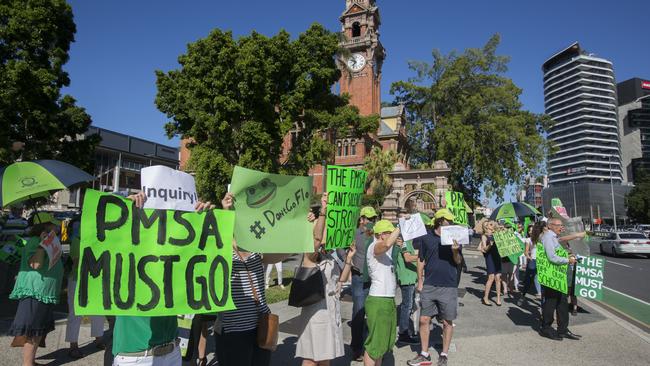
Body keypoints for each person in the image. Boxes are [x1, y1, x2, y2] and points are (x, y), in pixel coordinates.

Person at [216, 192, 325, 366]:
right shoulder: (220, 245)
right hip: (232, 329)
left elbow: (283, 252)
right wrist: (225, 211)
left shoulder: (256, 247)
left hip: (260, 324)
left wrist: (303, 226)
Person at [111, 192, 215, 366]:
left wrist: (204, 223)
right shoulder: (126, 255)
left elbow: (203, 267)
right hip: (135, 357)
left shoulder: (174, 261)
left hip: (172, 352)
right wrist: (121, 212)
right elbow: (105, 243)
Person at [295, 195, 354, 366]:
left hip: (331, 308)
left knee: (325, 356)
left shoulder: (331, 256)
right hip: (316, 311)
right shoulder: (310, 256)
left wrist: (349, 259)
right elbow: (317, 239)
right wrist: (323, 212)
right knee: (312, 358)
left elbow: (341, 280)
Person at [8, 212, 64, 366]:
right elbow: (35, 264)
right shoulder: (34, 241)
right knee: (32, 331)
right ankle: (27, 364)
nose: (57, 226)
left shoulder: (49, 239)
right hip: (36, 291)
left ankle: (31, 361)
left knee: (39, 328)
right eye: (53, 224)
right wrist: (42, 245)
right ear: (45, 226)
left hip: (44, 292)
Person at [408, 209, 462, 366]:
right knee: (424, 319)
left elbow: (458, 261)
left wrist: (455, 251)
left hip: (449, 285)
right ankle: (424, 354)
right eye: (448, 220)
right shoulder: (426, 238)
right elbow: (421, 259)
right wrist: (420, 281)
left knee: (447, 322)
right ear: (440, 221)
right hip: (430, 284)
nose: (451, 223)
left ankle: (444, 354)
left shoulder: (455, 238)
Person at [65, 216, 105, 359]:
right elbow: (76, 262)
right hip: (78, 280)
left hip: (95, 281)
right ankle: (73, 345)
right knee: (75, 314)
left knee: (98, 311)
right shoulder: (77, 240)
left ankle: (99, 338)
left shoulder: (100, 239)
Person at [363, 220, 401, 366]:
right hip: (378, 299)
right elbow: (385, 245)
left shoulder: (388, 251)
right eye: (389, 232)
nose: (392, 235)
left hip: (387, 299)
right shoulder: (374, 246)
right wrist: (400, 227)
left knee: (383, 343)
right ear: (381, 234)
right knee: (375, 344)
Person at [539, 218, 581, 341]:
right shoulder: (548, 237)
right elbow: (551, 257)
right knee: (551, 303)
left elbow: (557, 253)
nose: (560, 227)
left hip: (558, 275)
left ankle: (563, 329)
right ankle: (545, 328)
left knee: (562, 303)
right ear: (550, 226)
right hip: (552, 276)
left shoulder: (553, 237)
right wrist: (568, 260)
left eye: (561, 225)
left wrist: (568, 255)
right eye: (558, 225)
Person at [350, 206, 378, 361]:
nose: (370, 222)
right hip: (360, 277)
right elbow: (341, 249)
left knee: (367, 313)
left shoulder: (376, 234)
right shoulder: (355, 233)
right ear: (362, 220)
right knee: (360, 313)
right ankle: (357, 348)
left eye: (372, 219)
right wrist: (350, 263)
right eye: (369, 219)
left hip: (372, 278)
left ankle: (365, 347)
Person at [393, 218, 420, 345]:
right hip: (406, 277)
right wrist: (422, 257)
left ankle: (405, 330)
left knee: (408, 305)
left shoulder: (406, 240)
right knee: (407, 305)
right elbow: (408, 258)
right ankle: (403, 333)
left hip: (409, 276)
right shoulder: (403, 240)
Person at [518, 223, 543, 306]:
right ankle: (523, 296)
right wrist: (528, 256)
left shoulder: (541, 238)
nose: (531, 232)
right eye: (529, 230)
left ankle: (540, 294)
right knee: (528, 280)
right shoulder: (528, 240)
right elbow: (526, 251)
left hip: (541, 261)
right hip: (533, 261)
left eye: (533, 230)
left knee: (539, 278)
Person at [478, 220, 502, 306]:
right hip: (490, 257)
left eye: (492, 224)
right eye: (490, 224)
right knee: (491, 277)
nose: (492, 226)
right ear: (487, 227)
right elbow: (484, 249)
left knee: (498, 278)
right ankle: (485, 297)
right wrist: (490, 245)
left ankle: (498, 298)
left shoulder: (497, 234)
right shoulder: (484, 236)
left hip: (497, 257)